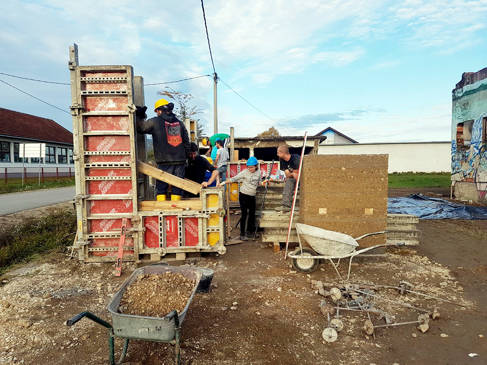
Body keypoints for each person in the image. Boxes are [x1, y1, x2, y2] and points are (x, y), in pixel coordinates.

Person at [136, 98, 190, 201]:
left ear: (159, 110)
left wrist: (139, 114)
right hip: (180, 161)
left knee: (161, 187)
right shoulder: (180, 123)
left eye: (157, 112)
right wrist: (186, 158)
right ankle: (176, 209)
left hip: (164, 162)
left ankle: (162, 211)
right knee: (177, 187)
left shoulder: (155, 121)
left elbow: (141, 128)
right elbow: (186, 142)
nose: (157, 114)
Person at [219, 156, 261, 241]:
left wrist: (263, 183)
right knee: (244, 214)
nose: (250, 169)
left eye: (252, 167)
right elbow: (234, 178)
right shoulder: (245, 172)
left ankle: (250, 232)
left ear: (256, 166)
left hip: (252, 196)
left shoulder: (259, 172)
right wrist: (223, 183)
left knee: (252, 214)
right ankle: (242, 234)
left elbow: (258, 182)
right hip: (244, 195)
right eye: (248, 167)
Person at [275, 144, 300, 212]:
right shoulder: (282, 160)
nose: (277, 154)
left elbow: (298, 172)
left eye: (278, 152)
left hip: (304, 178)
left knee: (294, 176)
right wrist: (292, 173)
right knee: (289, 180)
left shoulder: (296, 158)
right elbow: (287, 175)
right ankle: (286, 205)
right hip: (294, 179)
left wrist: (292, 173)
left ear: (283, 153)